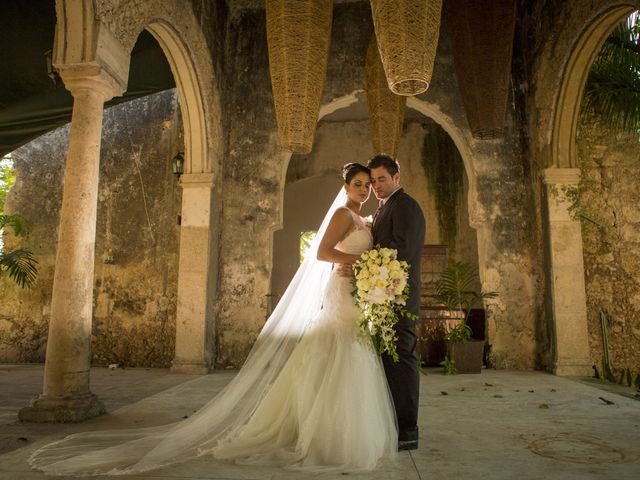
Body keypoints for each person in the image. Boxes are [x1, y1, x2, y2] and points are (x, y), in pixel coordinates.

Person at [28, 163, 397, 476]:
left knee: (348, 354)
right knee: (336, 352)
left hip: (353, 294)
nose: (365, 189)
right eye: (359, 184)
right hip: (340, 291)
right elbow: (322, 252)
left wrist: (368, 269)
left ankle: (340, 431)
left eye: (369, 185)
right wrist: (358, 263)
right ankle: (323, 437)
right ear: (346, 186)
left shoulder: (361, 216)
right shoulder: (340, 214)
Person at [368, 154, 425, 451]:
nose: (377, 185)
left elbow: (401, 250)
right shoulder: (384, 208)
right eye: (374, 180)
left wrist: (363, 261)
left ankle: (408, 429)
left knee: (402, 359)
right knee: (389, 360)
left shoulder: (405, 206)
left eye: (382, 179)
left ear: (396, 178)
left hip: (400, 297)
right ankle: (393, 422)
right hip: (382, 296)